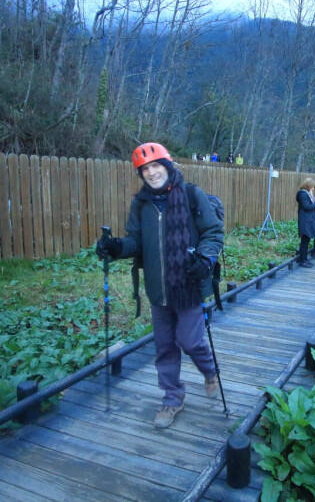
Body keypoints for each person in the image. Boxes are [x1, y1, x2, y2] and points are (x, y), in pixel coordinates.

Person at [96, 142, 224, 429]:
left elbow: (213, 232)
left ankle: (210, 370)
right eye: (145, 170)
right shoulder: (141, 204)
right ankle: (172, 398)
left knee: (190, 341)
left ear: (167, 166)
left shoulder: (192, 195)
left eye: (156, 166)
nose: (151, 173)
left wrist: (205, 258)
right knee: (165, 346)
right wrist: (116, 247)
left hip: (189, 284)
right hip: (158, 289)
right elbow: (136, 242)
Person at [296, 178, 315, 267]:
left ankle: (304, 259)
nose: (313, 189)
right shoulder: (302, 194)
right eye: (312, 187)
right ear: (308, 186)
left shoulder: (307, 194)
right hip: (305, 221)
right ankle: (302, 261)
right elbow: (307, 207)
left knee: (307, 240)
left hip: (309, 220)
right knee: (304, 241)